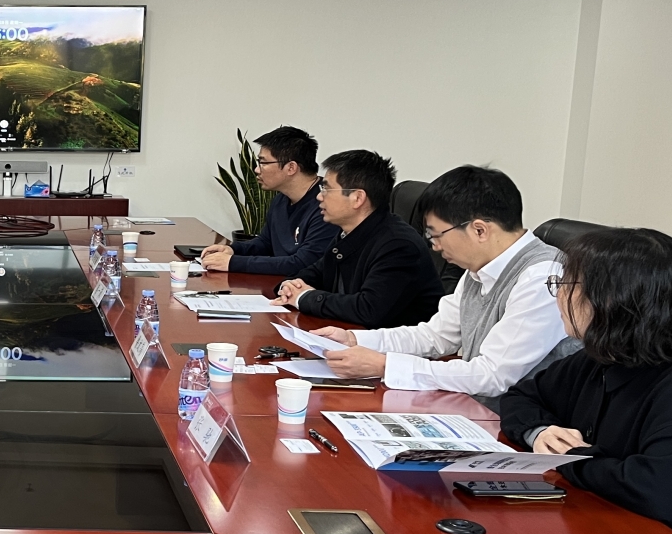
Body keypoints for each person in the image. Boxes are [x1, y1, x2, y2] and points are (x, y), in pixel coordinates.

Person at [310, 166, 579, 408]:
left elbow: (492, 376)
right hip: (477, 408)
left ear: (479, 230)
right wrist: (354, 340)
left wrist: (384, 365)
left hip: (524, 427)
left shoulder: (543, 277)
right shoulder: (478, 269)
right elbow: (435, 336)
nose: (434, 246)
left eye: (435, 234)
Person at [502, 228, 672, 534]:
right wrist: (541, 432)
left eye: (566, 285)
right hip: (598, 525)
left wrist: (573, 458)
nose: (558, 295)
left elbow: (661, 490)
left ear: (611, 299)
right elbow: (521, 397)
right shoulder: (602, 355)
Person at [274, 149, 442, 329]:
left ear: (357, 198)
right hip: (352, 336)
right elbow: (315, 273)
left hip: (393, 344)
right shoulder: (348, 233)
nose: (319, 196)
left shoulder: (399, 246)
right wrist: (288, 287)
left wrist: (304, 297)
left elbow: (368, 309)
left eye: (327, 189)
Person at [198, 126, 336, 275]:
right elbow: (265, 243)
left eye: (263, 163)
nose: (257, 170)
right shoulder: (281, 199)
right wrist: (232, 250)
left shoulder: (327, 205)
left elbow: (302, 263)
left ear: (291, 168)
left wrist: (233, 263)